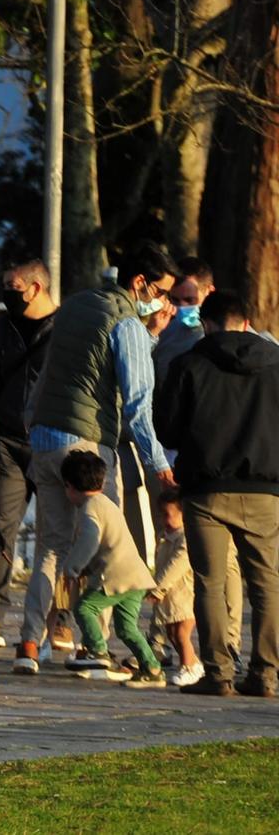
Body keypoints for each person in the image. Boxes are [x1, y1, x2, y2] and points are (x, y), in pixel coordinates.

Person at [14, 245, 178, 676]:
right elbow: (138, 402)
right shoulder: (127, 324)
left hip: (46, 438)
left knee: (50, 547)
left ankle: (30, 643)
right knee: (103, 546)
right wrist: (158, 463)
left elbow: (52, 370)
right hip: (87, 444)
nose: (163, 301)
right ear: (139, 283)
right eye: (161, 291)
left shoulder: (77, 305)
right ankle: (93, 648)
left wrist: (32, 421)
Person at [156, 288, 279, 697]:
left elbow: (168, 429)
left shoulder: (188, 363)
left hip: (205, 489)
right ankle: (265, 673)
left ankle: (218, 672)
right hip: (265, 488)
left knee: (209, 582)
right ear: (246, 322)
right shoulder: (276, 362)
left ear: (205, 324)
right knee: (266, 584)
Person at [0, 258, 56, 647]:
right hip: (6, 442)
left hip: (52, 443)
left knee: (61, 535)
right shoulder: (4, 328)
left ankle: (63, 619)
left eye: (13, 285)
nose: (6, 292)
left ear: (36, 287)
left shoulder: (64, 330)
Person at [56, 449, 166, 686]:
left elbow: (90, 539)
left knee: (84, 608)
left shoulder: (89, 508)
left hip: (115, 576)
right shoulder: (107, 503)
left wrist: (71, 568)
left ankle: (98, 651)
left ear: (69, 486)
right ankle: (152, 669)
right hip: (136, 576)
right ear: (102, 481)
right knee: (127, 629)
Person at [148, 495, 208, 688]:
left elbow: (176, 566)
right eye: (161, 515)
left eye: (168, 515)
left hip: (185, 595)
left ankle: (188, 667)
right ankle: (194, 663)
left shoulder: (186, 538)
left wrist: (158, 588)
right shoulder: (165, 536)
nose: (163, 520)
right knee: (173, 634)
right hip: (170, 597)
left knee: (182, 633)